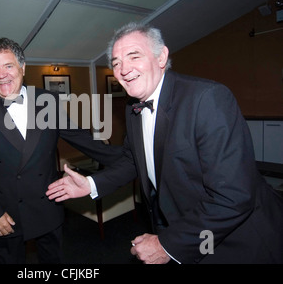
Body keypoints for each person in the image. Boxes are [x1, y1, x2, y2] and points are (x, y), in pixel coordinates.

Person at [47, 22, 283, 264]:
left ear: (161, 57)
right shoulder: (133, 108)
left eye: (133, 56)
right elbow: (134, 160)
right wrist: (91, 184)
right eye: (116, 63)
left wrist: (167, 245)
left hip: (238, 241)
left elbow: (234, 197)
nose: (123, 69)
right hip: (185, 228)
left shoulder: (207, 99)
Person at [0, 37, 122, 264]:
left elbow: (81, 138)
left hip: (46, 205)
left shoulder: (48, 100)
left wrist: (129, 157)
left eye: (8, 66)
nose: (1, 74)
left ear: (22, 68)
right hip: (3, 212)